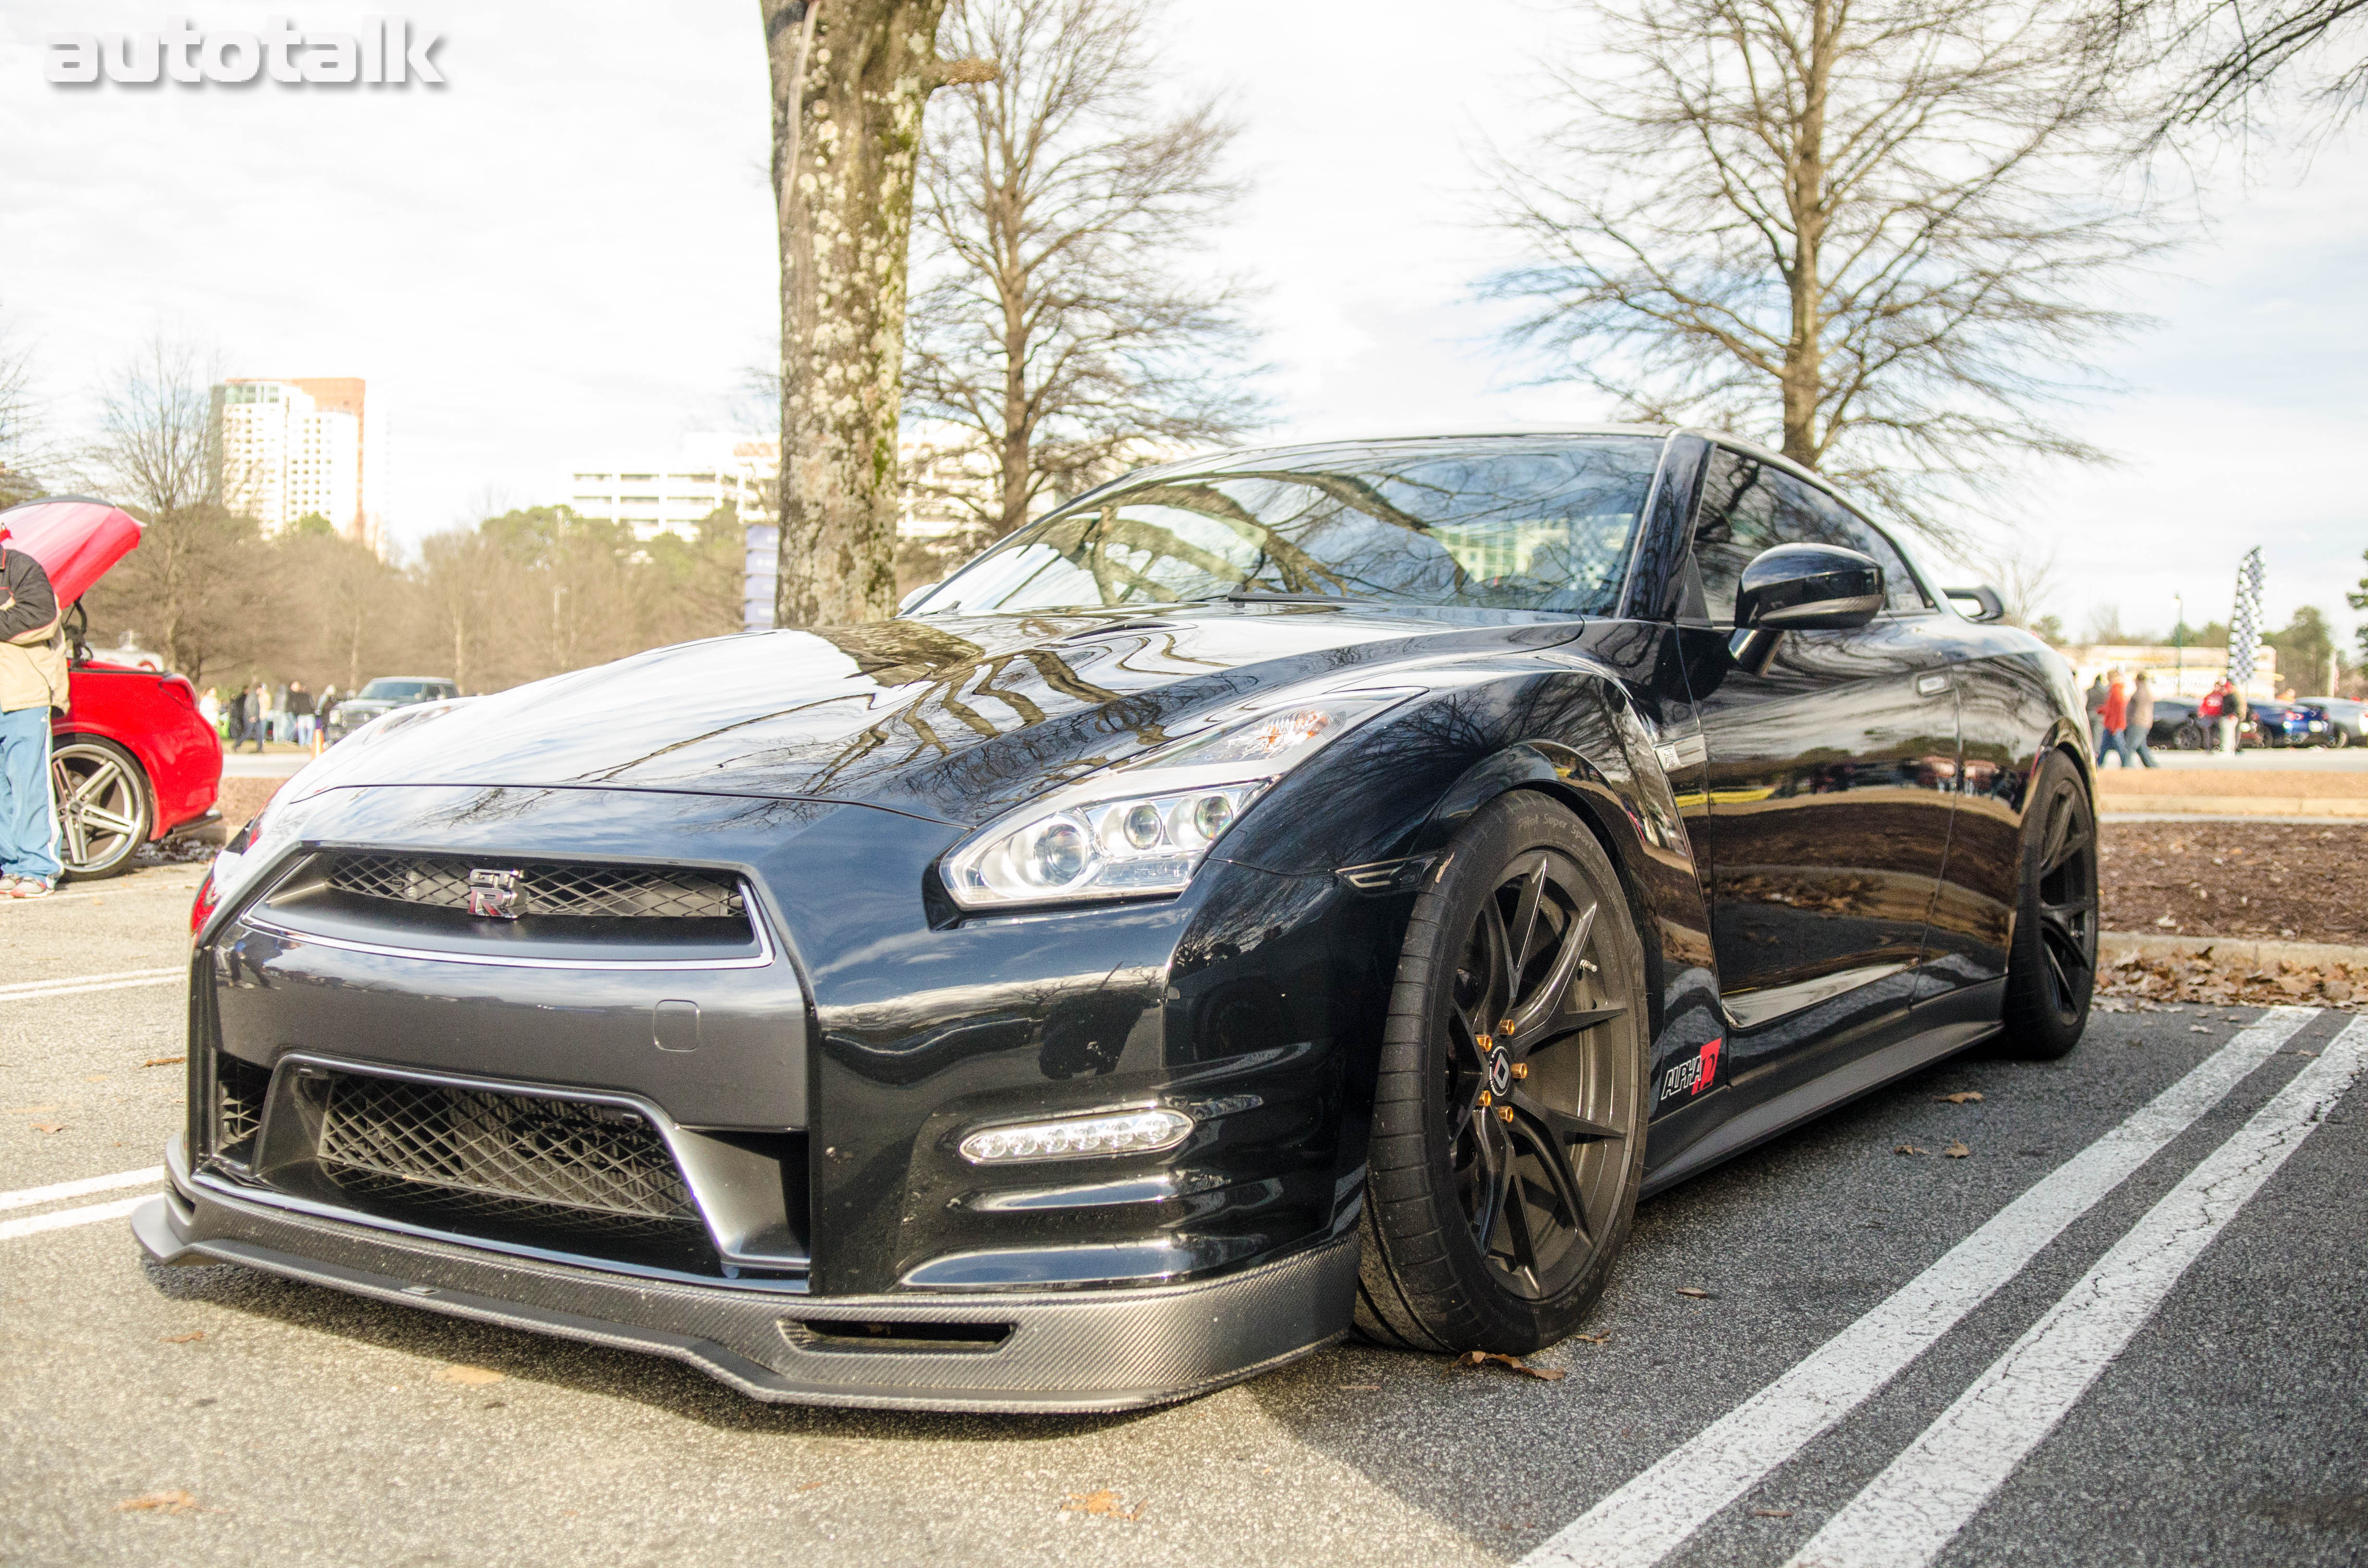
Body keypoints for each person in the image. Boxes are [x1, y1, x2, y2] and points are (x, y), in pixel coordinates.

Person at [0, 520, 69, 898]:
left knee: (28, 787)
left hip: (23, 696)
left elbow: (39, 620)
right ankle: (10, 866)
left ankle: (38, 868)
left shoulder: (22, 568)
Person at [2126, 671, 2160, 768]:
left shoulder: (2141, 693)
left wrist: (2133, 720)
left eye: (2136, 681)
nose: (2135, 683)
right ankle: (2153, 767)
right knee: (2142, 749)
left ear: (2139, 680)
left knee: (2129, 747)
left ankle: (2126, 767)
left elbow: (2140, 711)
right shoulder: (2145, 691)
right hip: (2142, 723)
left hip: (2138, 723)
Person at [2097, 669, 2129, 767]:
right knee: (2104, 747)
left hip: (2114, 725)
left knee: (2120, 747)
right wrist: (2101, 710)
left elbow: (2119, 711)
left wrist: (2115, 726)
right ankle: (2099, 765)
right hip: (2112, 724)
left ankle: (2127, 765)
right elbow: (2111, 708)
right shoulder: (2115, 691)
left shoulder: (2116, 691)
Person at [2084, 673, 2108, 755]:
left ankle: (2090, 752)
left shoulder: (2089, 691)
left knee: (2088, 736)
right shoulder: (2106, 692)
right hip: (2100, 716)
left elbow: (2084, 703)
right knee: (2097, 737)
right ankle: (2096, 754)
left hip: (2089, 714)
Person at [288, 680, 315, 747]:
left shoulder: (297, 696)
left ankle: (302, 743)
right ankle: (309, 742)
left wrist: (297, 712)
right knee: (310, 729)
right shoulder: (308, 695)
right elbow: (312, 705)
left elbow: (295, 706)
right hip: (309, 714)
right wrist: (312, 711)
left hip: (301, 714)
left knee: (301, 729)